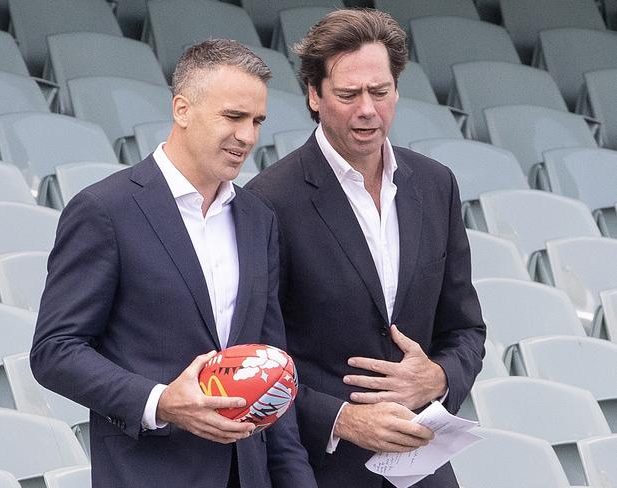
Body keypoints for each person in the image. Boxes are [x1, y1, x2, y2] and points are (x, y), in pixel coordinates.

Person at [30, 39, 317, 488]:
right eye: (234, 116)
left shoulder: (259, 219)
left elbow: (272, 367)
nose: (249, 136)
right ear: (182, 109)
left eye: (257, 121)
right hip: (149, 474)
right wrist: (160, 402)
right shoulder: (105, 209)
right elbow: (55, 351)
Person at [246, 9, 486, 488]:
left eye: (379, 92)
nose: (367, 110)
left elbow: (466, 329)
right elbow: (255, 356)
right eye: (348, 94)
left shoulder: (437, 185)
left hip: (423, 464)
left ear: (397, 89)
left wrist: (438, 378)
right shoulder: (266, 202)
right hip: (319, 470)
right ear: (314, 95)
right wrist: (339, 419)